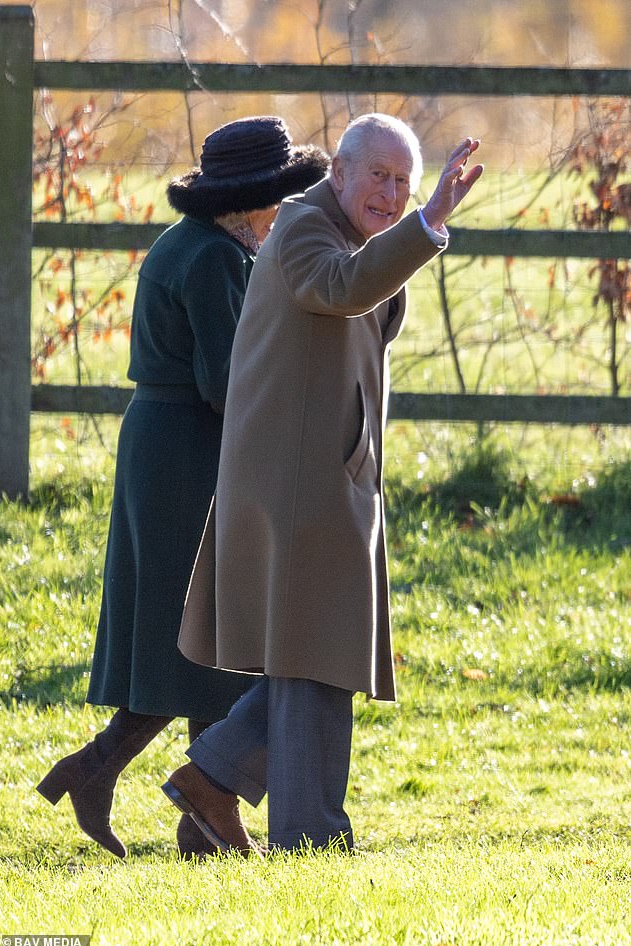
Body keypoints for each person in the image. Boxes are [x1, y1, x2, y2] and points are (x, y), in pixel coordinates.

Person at [162, 113, 484, 854]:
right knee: (318, 651)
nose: (392, 191)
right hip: (298, 485)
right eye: (378, 174)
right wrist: (427, 223)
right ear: (336, 172)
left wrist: (409, 231)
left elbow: (363, 302)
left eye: (403, 181)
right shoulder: (308, 229)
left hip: (325, 475)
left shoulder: (348, 236)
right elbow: (341, 291)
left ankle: (212, 779)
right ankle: (307, 832)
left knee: (321, 650)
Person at [35, 116, 330, 860]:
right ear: (255, 199)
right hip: (188, 455)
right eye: (280, 199)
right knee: (205, 633)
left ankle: (163, 800)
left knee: (202, 635)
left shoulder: (197, 246)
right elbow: (228, 383)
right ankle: (151, 790)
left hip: (169, 446)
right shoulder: (215, 260)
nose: (285, 213)